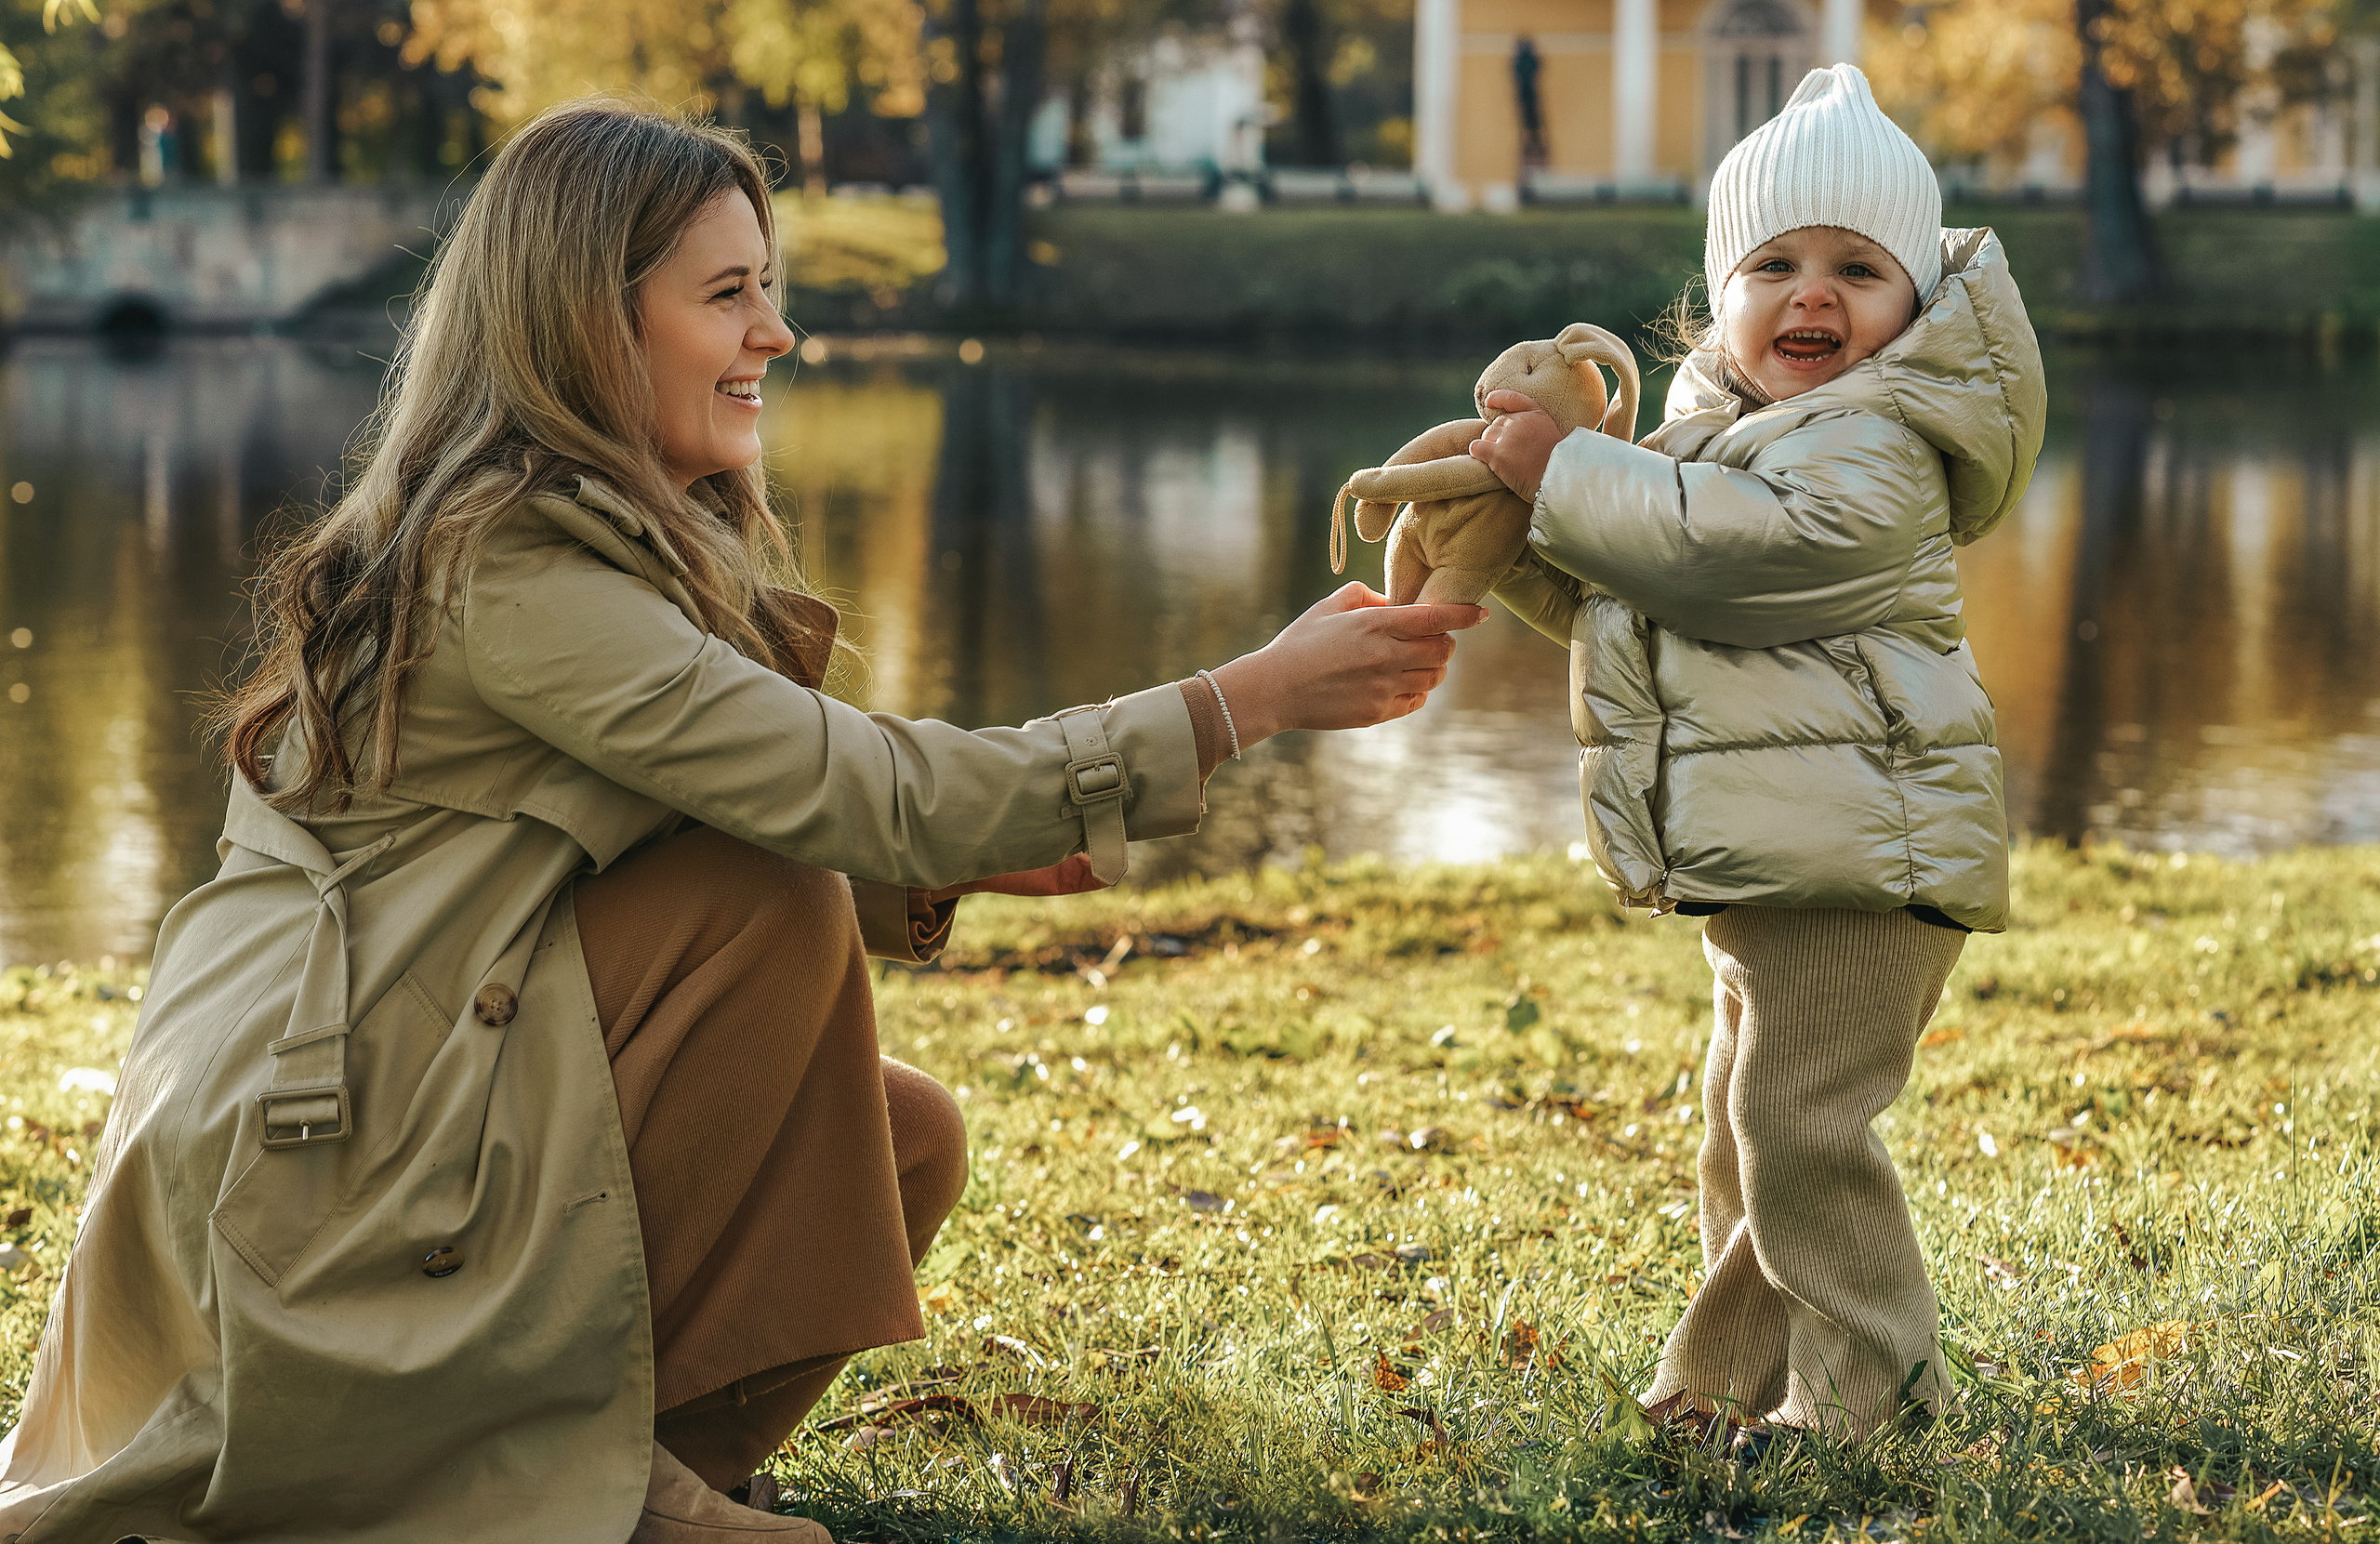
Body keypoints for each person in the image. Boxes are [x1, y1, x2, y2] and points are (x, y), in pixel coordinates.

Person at [0, 100, 1486, 1544]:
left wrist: (960, 859)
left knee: (898, 1143)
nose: (776, 332)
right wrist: (1240, 701)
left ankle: (629, 1475)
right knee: (768, 900)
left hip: (394, 1090)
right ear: (589, 323)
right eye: (728, 295)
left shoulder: (577, 544)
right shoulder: (507, 569)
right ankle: (552, 1484)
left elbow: (689, 819)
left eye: (767, 288)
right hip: (304, 1167)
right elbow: (852, 791)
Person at [1471, 64, 2046, 1437]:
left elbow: (1745, 562)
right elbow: (1646, 596)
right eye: (1775, 265)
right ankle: (1726, 1384)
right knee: (1748, 1124)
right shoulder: (1720, 442)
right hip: (1785, 853)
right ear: (1720, 293)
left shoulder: (1880, 443)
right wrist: (1513, 534)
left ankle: (1869, 1399)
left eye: (1859, 269)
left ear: (1915, 302)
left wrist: (1569, 478)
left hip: (1864, 859)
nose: (1812, 297)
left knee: (1801, 1129)